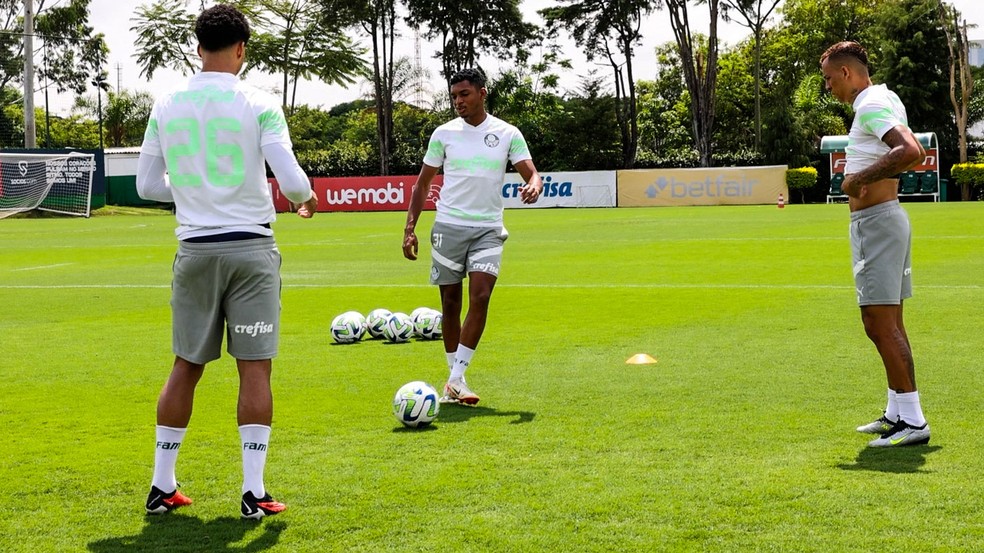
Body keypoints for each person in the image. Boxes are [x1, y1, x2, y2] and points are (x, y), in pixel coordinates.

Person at [136, 4, 319, 518]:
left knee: (185, 366)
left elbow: (149, 185)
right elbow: (295, 183)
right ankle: (253, 493)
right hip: (250, 250)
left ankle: (161, 485)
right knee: (254, 369)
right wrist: (303, 199)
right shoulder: (258, 101)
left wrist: (194, 187)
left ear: (197, 47)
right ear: (242, 49)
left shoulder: (167, 103)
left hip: (194, 250)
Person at [402, 68, 543, 405]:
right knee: (450, 304)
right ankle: (456, 380)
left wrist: (534, 185)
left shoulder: (507, 133)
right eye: (453, 96)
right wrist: (409, 229)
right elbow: (423, 184)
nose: (458, 102)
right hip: (448, 226)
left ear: (482, 92)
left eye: (464, 95)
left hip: (488, 229)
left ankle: (454, 378)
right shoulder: (443, 134)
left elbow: (532, 172)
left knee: (480, 296)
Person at [820, 41, 929, 447]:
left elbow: (910, 151)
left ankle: (913, 422)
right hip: (886, 221)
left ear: (847, 73)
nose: (828, 86)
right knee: (890, 323)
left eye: (830, 78)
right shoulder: (885, 97)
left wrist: (856, 179)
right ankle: (897, 412)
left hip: (877, 224)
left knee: (879, 324)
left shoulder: (869, 105)